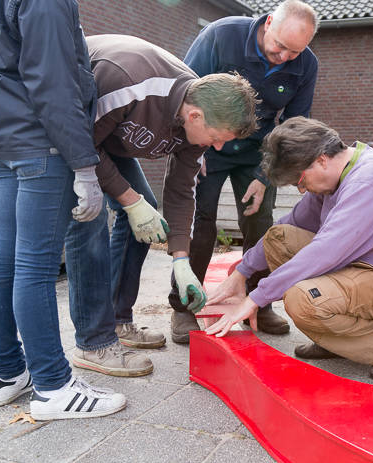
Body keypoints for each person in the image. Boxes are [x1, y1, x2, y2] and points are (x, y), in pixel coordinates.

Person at [0, 0, 126, 420]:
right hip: (43, 143)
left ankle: (6, 374)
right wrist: (83, 165)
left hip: (2, 143)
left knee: (2, 260)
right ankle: (53, 386)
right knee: (34, 267)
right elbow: (52, 80)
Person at [65, 34, 260, 375]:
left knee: (146, 213)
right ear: (195, 116)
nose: (215, 148)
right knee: (91, 223)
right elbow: (79, 143)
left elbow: (181, 190)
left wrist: (181, 260)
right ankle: (92, 342)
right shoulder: (128, 80)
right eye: (216, 139)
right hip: (72, 137)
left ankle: (118, 321)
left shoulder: (197, 120)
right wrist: (128, 199)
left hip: (104, 141)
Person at [205, 118, 373, 381]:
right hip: (359, 267)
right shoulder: (334, 179)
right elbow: (288, 226)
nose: (302, 189)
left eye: (300, 181)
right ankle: (335, 338)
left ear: (322, 160)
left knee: (301, 299)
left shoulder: (371, 179)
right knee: (279, 238)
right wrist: (241, 273)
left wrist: (255, 298)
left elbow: (324, 252)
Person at [168, 0, 320, 344]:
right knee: (200, 222)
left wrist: (266, 176)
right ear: (268, 23)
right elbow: (183, 91)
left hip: (257, 152)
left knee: (260, 222)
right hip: (208, 142)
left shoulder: (306, 64)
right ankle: (183, 306)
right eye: (279, 46)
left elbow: (295, 123)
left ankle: (259, 302)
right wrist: (191, 148)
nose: (283, 57)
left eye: (294, 52)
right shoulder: (222, 36)